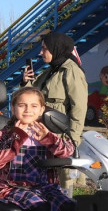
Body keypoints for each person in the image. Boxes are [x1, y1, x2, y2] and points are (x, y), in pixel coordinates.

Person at [22, 32, 88, 195]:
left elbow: (78, 108)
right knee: (45, 183)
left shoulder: (71, 71)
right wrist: (25, 82)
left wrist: (72, 140)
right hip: (42, 137)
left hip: (61, 138)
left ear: (55, 48)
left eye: (44, 48)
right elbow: (31, 98)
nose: (40, 52)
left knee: (65, 185)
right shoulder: (50, 72)